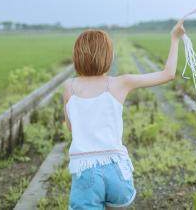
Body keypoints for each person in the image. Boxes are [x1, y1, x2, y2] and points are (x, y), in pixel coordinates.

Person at [62, 20, 185, 209]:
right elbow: (167, 74)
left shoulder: (69, 87)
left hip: (85, 169)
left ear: (76, 56)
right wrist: (175, 39)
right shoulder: (120, 83)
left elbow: (71, 127)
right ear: (109, 57)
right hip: (116, 168)